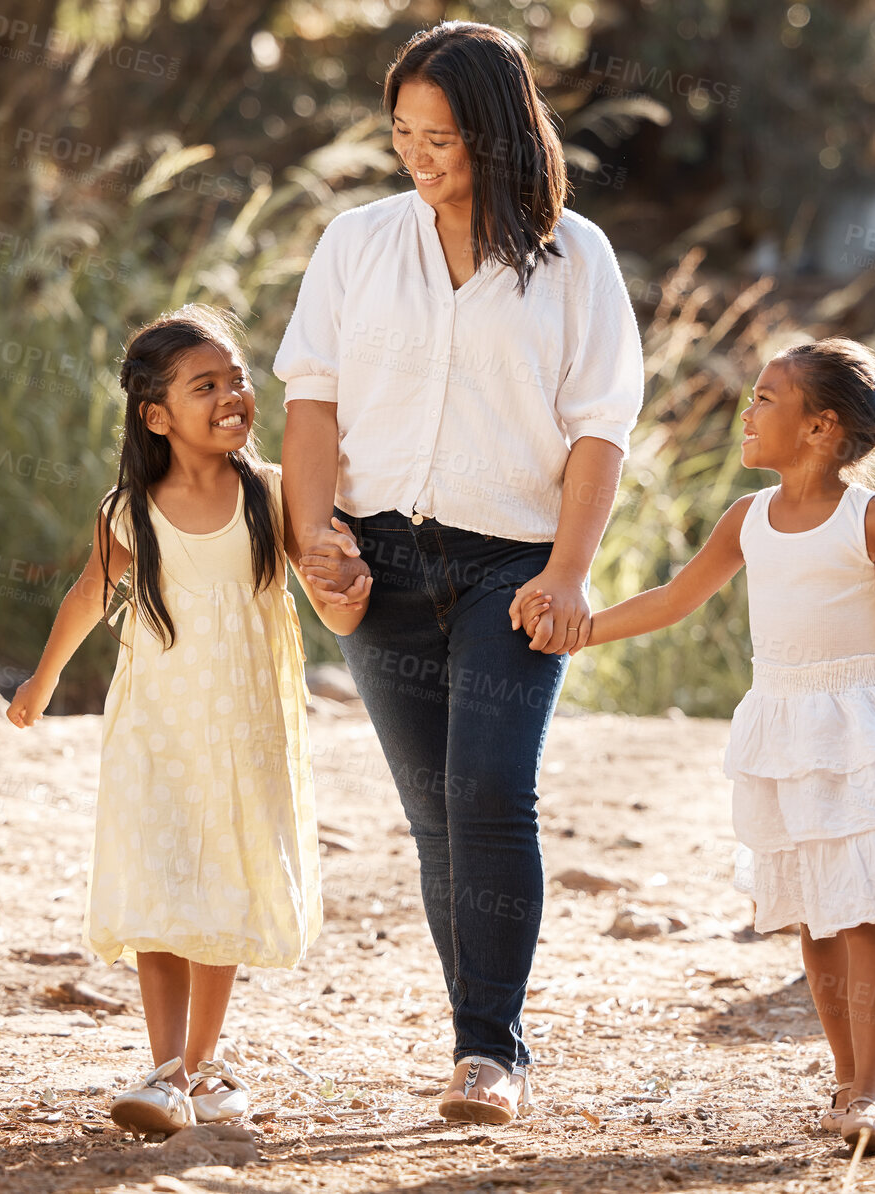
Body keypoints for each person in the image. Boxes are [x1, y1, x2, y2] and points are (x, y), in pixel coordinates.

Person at [274, 21, 643, 1124]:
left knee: (490, 794)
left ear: (495, 133)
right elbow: (311, 398)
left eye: (439, 136)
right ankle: (472, 1036)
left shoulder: (579, 259)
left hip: (514, 571)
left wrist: (571, 573)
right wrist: (312, 542)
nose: (416, 155)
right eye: (401, 133)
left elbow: (599, 430)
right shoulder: (356, 243)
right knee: (435, 813)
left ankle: (492, 1053)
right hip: (377, 563)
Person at [518, 337, 875, 1154]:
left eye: (766, 400)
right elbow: (676, 599)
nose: (748, 412)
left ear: (818, 429)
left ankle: (873, 1092)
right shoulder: (747, 519)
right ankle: (846, 1082)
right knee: (814, 911)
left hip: (859, 728)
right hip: (782, 727)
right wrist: (580, 633)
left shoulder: (871, 522)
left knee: (869, 911)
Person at [6, 304, 368, 1136]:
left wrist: (348, 583)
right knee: (160, 883)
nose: (233, 394)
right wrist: (43, 679)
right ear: (157, 416)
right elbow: (89, 594)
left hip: (244, 735)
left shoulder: (272, 493)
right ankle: (164, 1069)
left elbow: (329, 592)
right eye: (206, 385)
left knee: (223, 884)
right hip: (155, 730)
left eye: (237, 378)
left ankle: (204, 1067)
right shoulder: (131, 508)